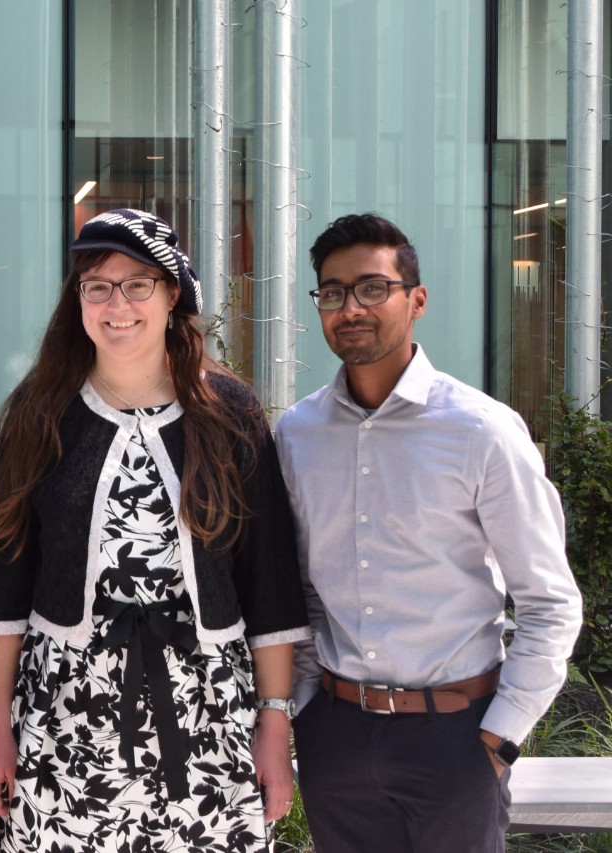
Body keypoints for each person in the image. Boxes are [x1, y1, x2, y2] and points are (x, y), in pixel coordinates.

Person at [0, 208, 310, 853]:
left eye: (137, 284)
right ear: (77, 301)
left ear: (171, 295)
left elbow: (267, 580)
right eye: (96, 286)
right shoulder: (41, 414)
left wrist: (274, 723)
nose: (117, 304)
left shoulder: (229, 414)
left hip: (208, 713)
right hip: (64, 714)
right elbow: (4, 590)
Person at [275, 213, 584, 853]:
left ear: (416, 300)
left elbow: (550, 600)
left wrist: (501, 735)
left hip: (458, 737)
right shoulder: (297, 434)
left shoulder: (482, 431)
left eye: (370, 288)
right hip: (337, 734)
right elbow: (298, 588)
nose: (349, 307)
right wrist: (307, 706)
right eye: (331, 292)